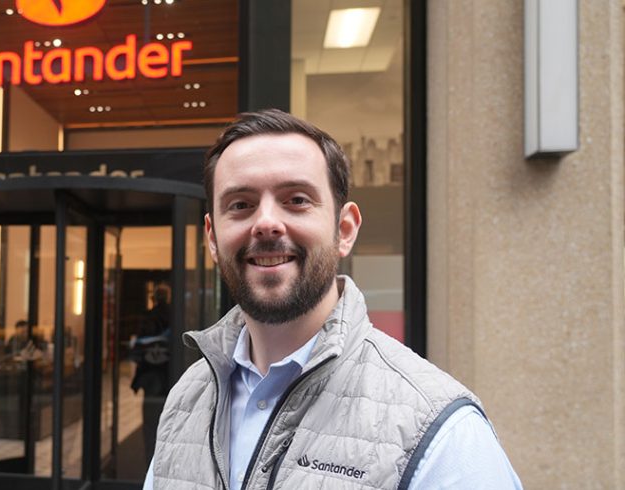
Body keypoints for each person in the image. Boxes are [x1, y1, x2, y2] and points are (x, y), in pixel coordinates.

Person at [144, 110, 520, 489]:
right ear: (212, 237)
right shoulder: (186, 400)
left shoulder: (438, 429)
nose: (266, 223)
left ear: (344, 229)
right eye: (241, 204)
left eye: (296, 200)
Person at [129, 283, 172, 463]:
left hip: (150, 377)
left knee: (150, 425)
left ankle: (150, 463)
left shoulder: (148, 316)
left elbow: (138, 350)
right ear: (168, 297)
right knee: (170, 423)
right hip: (169, 374)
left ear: (155, 297)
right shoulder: (175, 315)